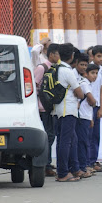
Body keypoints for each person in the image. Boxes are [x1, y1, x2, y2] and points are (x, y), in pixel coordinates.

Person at [54, 43, 84, 182]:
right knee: (66, 141)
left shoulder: (56, 68)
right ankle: (63, 173)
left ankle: (72, 169)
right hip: (68, 109)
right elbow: (80, 93)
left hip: (59, 109)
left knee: (67, 140)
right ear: (72, 56)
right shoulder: (68, 71)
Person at [35, 43, 60, 177]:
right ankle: (45, 164)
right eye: (58, 54)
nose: (59, 57)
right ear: (51, 55)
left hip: (50, 108)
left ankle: (47, 163)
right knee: (48, 136)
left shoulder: (55, 68)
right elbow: (34, 86)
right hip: (43, 107)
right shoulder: (42, 68)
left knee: (51, 136)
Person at [76, 63, 99, 178]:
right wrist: (94, 102)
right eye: (92, 73)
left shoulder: (87, 84)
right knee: (83, 142)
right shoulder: (85, 84)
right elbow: (91, 100)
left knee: (85, 142)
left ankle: (83, 165)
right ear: (86, 73)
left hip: (86, 116)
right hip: (82, 117)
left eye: (96, 73)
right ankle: (82, 166)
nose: (95, 76)